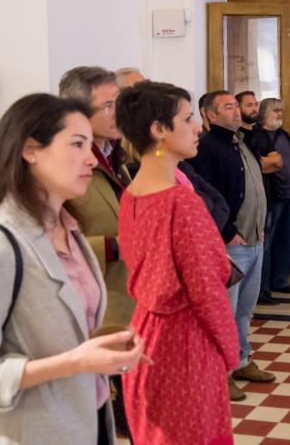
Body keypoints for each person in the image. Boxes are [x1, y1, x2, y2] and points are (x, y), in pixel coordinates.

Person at [0, 93, 147, 444]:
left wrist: (105, 349)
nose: (91, 159)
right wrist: (75, 362)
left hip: (87, 421)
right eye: (77, 144)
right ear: (30, 150)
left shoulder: (70, 232)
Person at [116, 81, 239, 444]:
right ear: (159, 130)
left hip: (144, 334)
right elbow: (207, 291)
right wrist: (229, 352)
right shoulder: (180, 203)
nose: (197, 127)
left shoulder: (131, 194)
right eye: (187, 119)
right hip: (183, 344)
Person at [58, 66, 136, 438]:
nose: (118, 112)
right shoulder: (66, 164)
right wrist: (113, 246)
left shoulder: (116, 157)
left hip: (122, 304)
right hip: (88, 315)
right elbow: (49, 244)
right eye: (109, 105)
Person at [189, 90, 274, 402]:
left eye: (237, 105)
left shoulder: (241, 141)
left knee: (244, 310)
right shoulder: (206, 148)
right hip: (231, 243)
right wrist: (226, 232)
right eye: (228, 107)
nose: (236, 111)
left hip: (254, 238)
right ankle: (219, 372)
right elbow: (205, 196)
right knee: (223, 312)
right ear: (210, 115)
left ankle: (240, 360)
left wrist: (260, 227)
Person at [236, 90, 284, 304]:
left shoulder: (261, 135)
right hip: (245, 207)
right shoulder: (238, 136)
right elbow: (251, 167)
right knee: (249, 250)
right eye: (249, 105)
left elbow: (277, 161)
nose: (254, 108)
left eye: (256, 104)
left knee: (264, 246)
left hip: (266, 198)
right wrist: (262, 163)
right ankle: (254, 292)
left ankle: (262, 289)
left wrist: (262, 163)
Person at [256, 98, 290, 297]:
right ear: (264, 113)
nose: (279, 114)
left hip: (289, 196)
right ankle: (263, 286)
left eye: (280, 111)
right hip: (271, 197)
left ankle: (279, 280)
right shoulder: (256, 136)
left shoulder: (284, 136)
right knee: (267, 242)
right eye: (275, 110)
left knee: (286, 241)